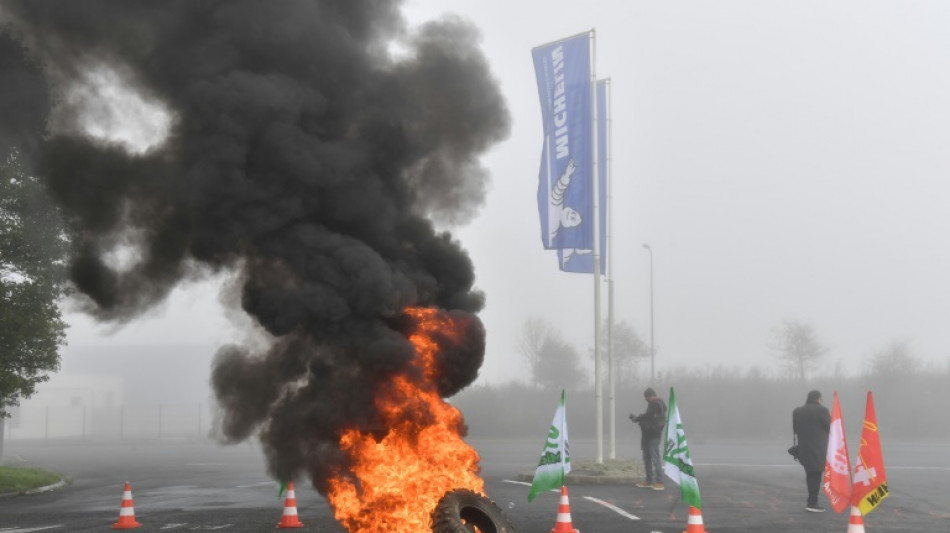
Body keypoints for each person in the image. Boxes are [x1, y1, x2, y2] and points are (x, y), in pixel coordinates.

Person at [792, 389, 831, 512]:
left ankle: (812, 501)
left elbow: (796, 429)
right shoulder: (823, 410)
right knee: (815, 476)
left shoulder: (797, 411)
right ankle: (812, 503)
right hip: (818, 449)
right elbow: (831, 427)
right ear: (819, 398)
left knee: (810, 474)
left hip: (803, 449)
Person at [629, 387, 667, 490]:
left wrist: (637, 419)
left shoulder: (655, 404)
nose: (646, 400)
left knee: (654, 458)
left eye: (646, 398)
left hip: (652, 435)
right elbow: (648, 416)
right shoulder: (659, 404)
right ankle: (649, 481)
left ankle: (659, 482)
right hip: (650, 435)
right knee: (648, 458)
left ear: (651, 396)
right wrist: (638, 419)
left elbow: (648, 416)